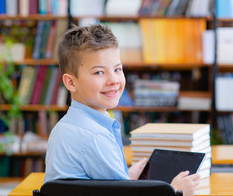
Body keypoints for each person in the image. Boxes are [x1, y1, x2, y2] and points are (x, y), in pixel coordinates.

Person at [44, 24, 200, 196]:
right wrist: (176, 191)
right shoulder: (96, 137)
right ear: (71, 83)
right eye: (98, 72)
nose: (113, 80)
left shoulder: (63, 127)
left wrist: (126, 180)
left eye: (117, 69)